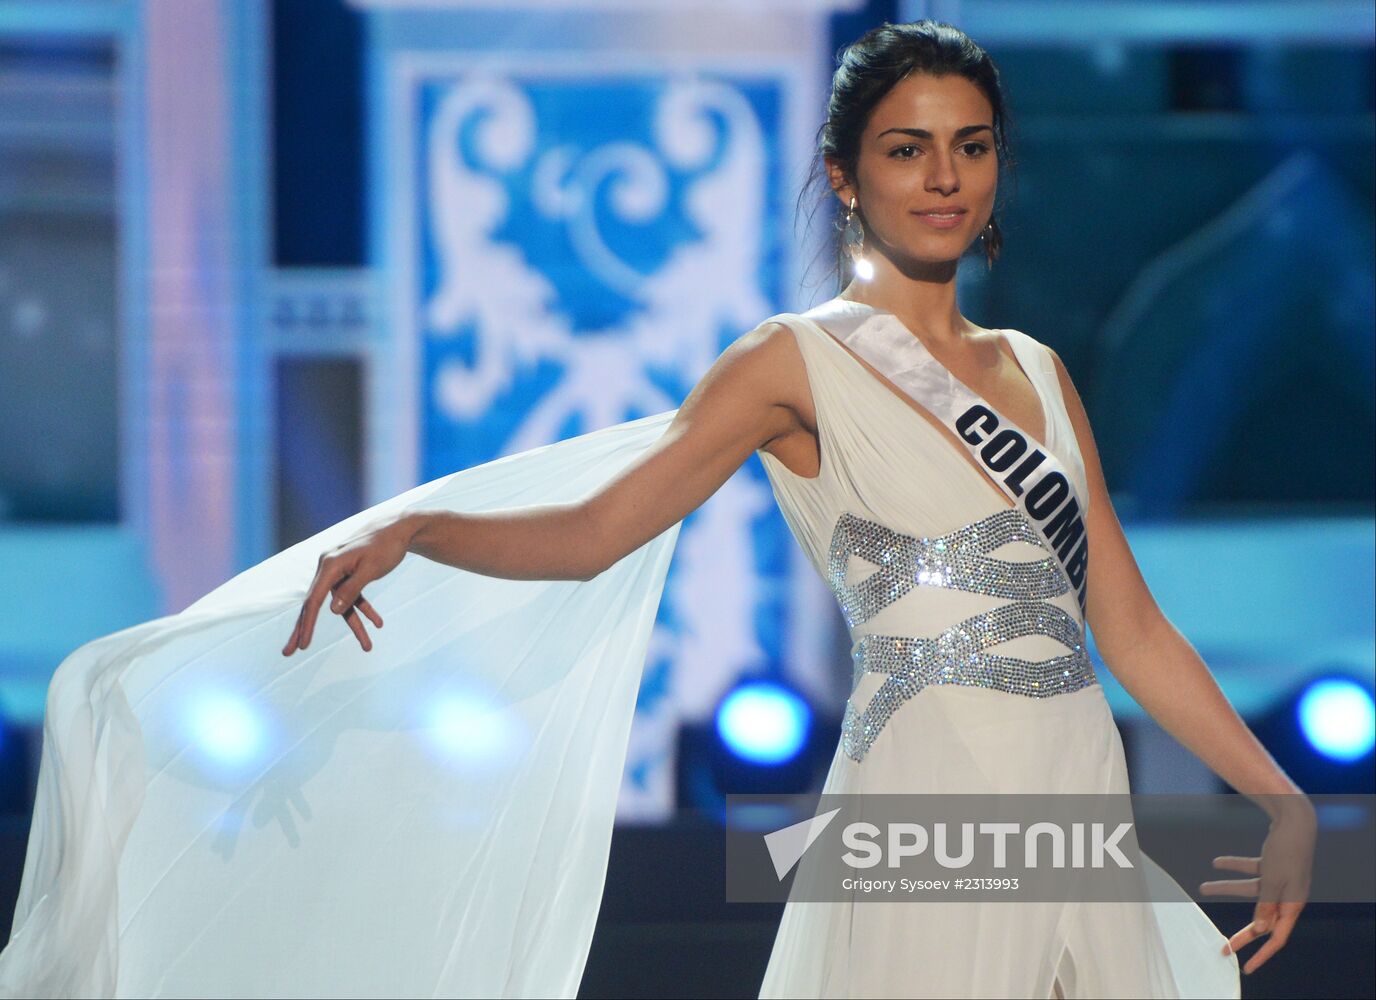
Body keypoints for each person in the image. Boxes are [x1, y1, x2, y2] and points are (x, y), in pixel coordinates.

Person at [0, 18, 1313, 1000]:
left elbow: (1128, 628)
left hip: (1074, 792)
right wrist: (416, 532)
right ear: (847, 173)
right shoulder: (792, 362)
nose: (943, 176)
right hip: (928, 794)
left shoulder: (1039, 372)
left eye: (969, 147)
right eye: (907, 149)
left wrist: (1280, 799)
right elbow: (596, 531)